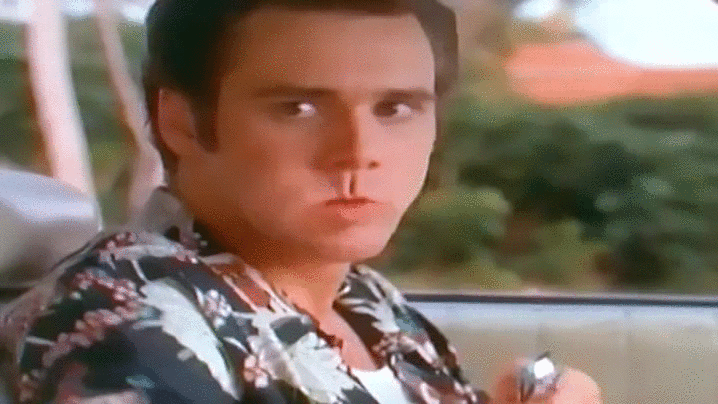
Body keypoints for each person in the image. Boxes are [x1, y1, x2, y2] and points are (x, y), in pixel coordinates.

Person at [0, 0, 602, 403]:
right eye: (299, 108)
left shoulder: (368, 304)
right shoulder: (127, 309)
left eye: (395, 108)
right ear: (182, 122)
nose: (358, 153)